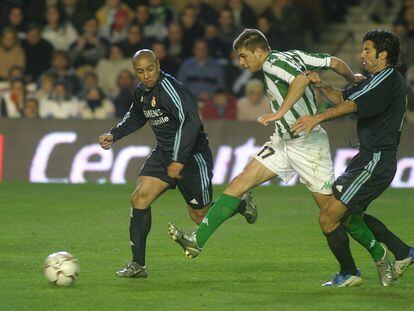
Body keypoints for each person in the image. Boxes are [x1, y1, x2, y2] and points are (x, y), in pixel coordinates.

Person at [167, 28, 363, 260]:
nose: (240, 62)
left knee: (333, 211)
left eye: (243, 56)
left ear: (259, 52)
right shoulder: (293, 55)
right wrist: (353, 80)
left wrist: (280, 112)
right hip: (283, 142)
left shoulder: (271, 63)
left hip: (307, 144)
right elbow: (335, 62)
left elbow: (299, 80)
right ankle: (196, 241)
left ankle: (381, 252)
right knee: (239, 183)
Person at [98, 49, 256, 278]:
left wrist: (179, 160)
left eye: (150, 69)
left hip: (192, 156)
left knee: (199, 216)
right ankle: (138, 265)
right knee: (139, 198)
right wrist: (114, 135)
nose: (146, 75)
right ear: (135, 71)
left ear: (158, 64)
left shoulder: (172, 90)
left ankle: (241, 204)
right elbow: (136, 116)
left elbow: (189, 123)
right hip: (164, 154)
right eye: (140, 71)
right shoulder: (142, 92)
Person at [292, 29, 414, 287]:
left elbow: (351, 106)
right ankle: (402, 252)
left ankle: (350, 271)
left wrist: (317, 118)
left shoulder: (388, 78)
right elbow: (344, 97)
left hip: (376, 161)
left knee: (329, 216)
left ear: (383, 54)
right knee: (348, 215)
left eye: (367, 50)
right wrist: (322, 85)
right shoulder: (374, 80)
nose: (362, 55)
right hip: (367, 158)